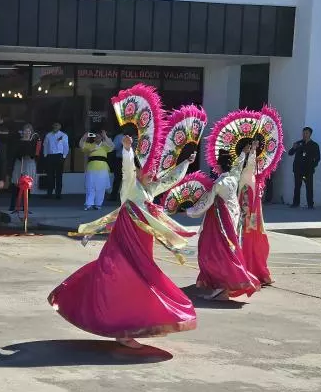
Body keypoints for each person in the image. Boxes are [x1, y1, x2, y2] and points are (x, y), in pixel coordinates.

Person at [47, 135, 197, 348]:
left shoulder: (150, 190)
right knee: (117, 280)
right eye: (149, 171)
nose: (153, 175)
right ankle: (118, 327)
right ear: (140, 171)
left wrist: (185, 164)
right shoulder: (130, 186)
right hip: (124, 242)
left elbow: (170, 180)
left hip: (142, 244)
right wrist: (127, 150)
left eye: (154, 172)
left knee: (140, 283)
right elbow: (128, 170)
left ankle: (129, 326)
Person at [186, 147, 260, 300]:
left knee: (213, 252)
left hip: (220, 223)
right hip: (232, 217)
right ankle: (224, 285)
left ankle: (221, 285)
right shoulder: (233, 178)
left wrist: (189, 211)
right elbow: (238, 167)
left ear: (218, 166)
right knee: (229, 250)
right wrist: (243, 154)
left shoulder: (219, 183)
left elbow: (206, 203)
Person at [239, 139, 274, 287]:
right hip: (246, 205)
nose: (254, 147)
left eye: (255, 145)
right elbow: (247, 168)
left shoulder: (259, 165)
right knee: (246, 236)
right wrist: (249, 152)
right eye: (250, 145)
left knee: (256, 237)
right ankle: (245, 270)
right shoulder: (240, 164)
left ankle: (256, 270)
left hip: (254, 208)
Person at [79, 130, 113, 211]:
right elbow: (81, 145)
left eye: (99, 136)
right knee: (90, 186)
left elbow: (112, 146)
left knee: (100, 187)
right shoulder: (90, 145)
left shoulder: (105, 146)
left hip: (103, 168)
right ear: (93, 138)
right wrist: (84, 136)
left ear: (101, 138)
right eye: (95, 136)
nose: (97, 137)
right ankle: (89, 203)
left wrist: (105, 136)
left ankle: (98, 204)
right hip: (91, 168)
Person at [288, 127, 320, 209]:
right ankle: (295, 203)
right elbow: (290, 153)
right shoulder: (298, 143)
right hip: (298, 169)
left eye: (306, 133)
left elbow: (317, 158)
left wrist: (312, 166)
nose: (304, 135)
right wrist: (294, 147)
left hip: (308, 170)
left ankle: (310, 204)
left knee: (309, 187)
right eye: (303, 133)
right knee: (297, 187)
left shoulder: (314, 145)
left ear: (310, 134)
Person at [10, 124, 40, 211]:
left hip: (29, 163)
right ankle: (13, 205)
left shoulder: (34, 142)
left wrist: (33, 154)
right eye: (25, 131)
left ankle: (25, 207)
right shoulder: (18, 141)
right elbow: (14, 152)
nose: (27, 132)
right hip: (20, 163)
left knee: (27, 184)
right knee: (16, 183)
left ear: (31, 132)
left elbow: (37, 153)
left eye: (29, 131)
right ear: (23, 132)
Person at [42, 122, 70, 199]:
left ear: (60, 126)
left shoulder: (63, 135)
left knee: (59, 176)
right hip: (50, 156)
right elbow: (45, 145)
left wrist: (64, 156)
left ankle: (58, 194)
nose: (55, 126)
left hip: (59, 156)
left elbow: (66, 146)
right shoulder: (48, 135)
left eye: (57, 125)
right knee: (50, 175)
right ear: (52, 126)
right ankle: (49, 194)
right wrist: (45, 155)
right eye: (54, 125)